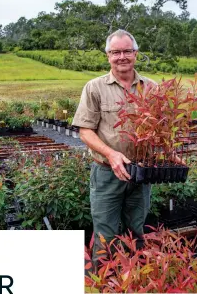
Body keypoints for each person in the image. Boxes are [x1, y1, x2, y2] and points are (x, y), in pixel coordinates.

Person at [72, 29, 156, 269]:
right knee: (105, 236)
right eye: (116, 52)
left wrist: (171, 154)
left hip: (141, 173)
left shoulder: (151, 88)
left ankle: (136, 279)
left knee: (136, 231)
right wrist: (111, 153)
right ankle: (102, 282)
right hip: (107, 173)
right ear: (108, 55)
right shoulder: (95, 88)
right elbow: (85, 130)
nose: (122, 57)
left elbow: (161, 131)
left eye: (127, 51)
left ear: (136, 54)